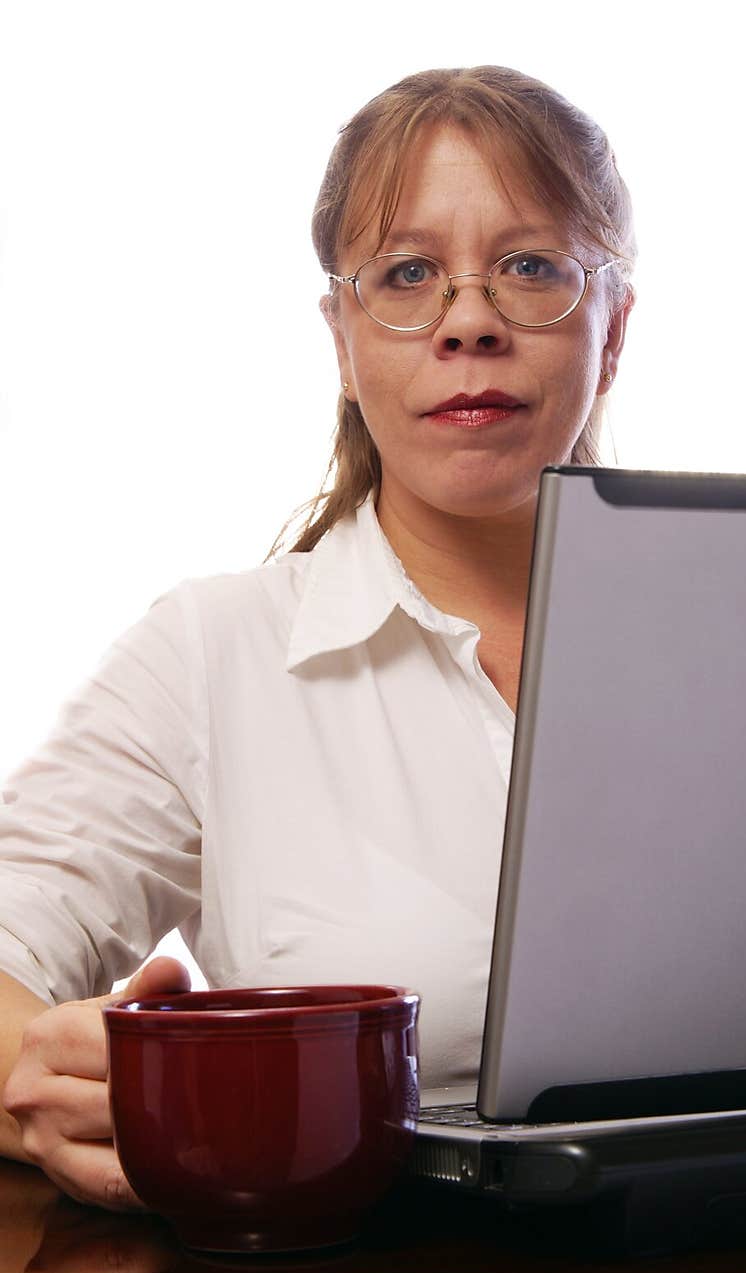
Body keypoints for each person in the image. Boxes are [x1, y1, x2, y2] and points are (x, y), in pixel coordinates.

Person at [0, 65, 636, 1211]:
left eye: (530, 266)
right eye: (406, 275)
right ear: (343, 340)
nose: (471, 319)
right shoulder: (212, 651)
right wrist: (27, 1075)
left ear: (616, 323)